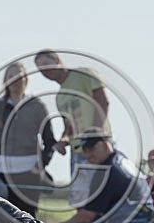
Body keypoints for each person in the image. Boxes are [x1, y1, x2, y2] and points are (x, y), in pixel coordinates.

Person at [54, 128, 154, 223]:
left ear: (105, 145)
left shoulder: (107, 171)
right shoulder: (120, 158)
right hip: (148, 222)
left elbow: (87, 217)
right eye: (84, 150)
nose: (87, 155)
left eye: (91, 149)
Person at [34, 50, 111, 208]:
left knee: (104, 196)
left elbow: (103, 102)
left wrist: (94, 135)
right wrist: (62, 142)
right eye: (40, 70)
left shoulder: (84, 74)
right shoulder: (59, 96)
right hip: (77, 152)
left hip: (99, 147)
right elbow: (68, 128)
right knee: (80, 200)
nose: (45, 71)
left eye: (46, 65)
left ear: (57, 59)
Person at [0, 62, 57, 216]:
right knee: (1, 215)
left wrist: (41, 165)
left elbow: (49, 140)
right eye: (11, 76)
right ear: (6, 81)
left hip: (29, 173)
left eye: (19, 76)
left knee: (27, 216)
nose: (15, 80)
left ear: (26, 80)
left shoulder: (36, 106)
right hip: (1, 172)